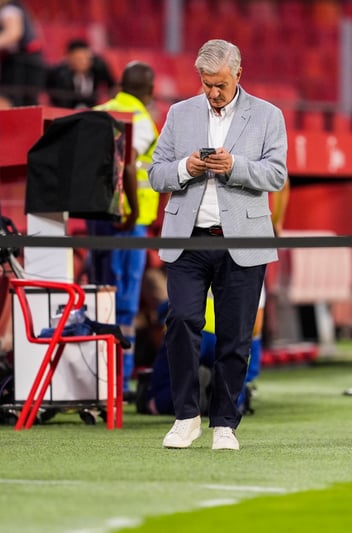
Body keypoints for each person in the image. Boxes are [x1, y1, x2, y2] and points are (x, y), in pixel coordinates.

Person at [148, 39, 287, 451]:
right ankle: (186, 417)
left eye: (220, 85)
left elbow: (276, 175)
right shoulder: (179, 113)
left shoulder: (268, 115)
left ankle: (224, 423)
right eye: (206, 84)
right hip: (188, 240)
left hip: (242, 241)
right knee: (181, 322)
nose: (212, 92)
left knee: (235, 337)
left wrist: (235, 167)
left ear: (238, 75)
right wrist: (184, 168)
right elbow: (155, 173)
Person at [85, 61, 159, 397]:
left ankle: (97, 378)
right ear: (151, 90)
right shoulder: (140, 119)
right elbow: (128, 164)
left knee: (99, 295)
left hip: (96, 217)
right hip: (127, 223)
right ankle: (119, 381)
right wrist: (132, 211)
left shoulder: (98, 111)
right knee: (124, 300)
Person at [45, 38, 116, 109]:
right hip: (68, 110)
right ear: (69, 58)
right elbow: (56, 98)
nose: (83, 62)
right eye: (79, 59)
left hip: (93, 109)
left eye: (86, 58)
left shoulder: (99, 68)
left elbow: (113, 87)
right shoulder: (58, 74)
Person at [0, 0, 44, 106]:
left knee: (17, 102)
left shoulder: (9, 9)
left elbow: (13, 34)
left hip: (22, 63)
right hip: (28, 61)